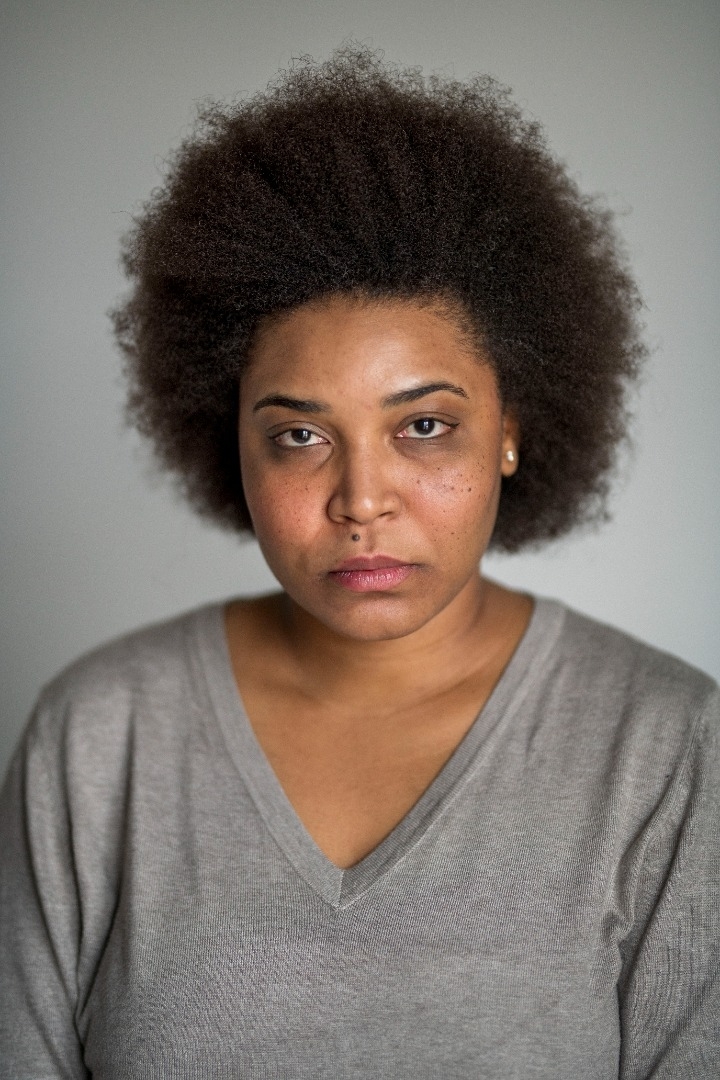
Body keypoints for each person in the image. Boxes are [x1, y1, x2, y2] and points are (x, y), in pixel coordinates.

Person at [1, 47, 717, 1079]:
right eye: (299, 436)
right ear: (231, 444)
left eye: (423, 425)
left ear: (511, 431)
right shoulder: (100, 737)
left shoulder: (666, 749)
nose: (362, 499)